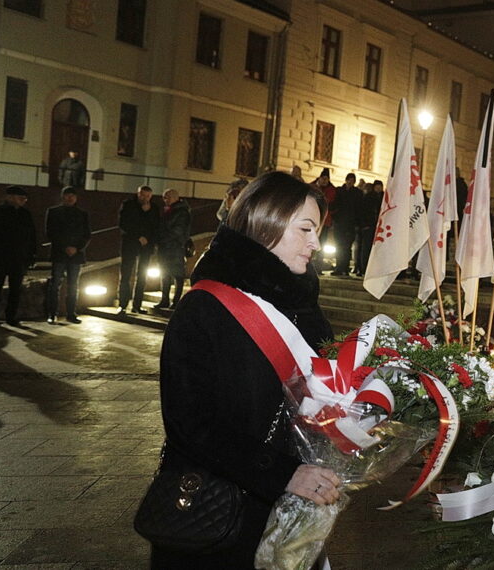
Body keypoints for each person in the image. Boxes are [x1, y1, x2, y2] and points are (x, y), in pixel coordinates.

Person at [148, 171, 340, 567]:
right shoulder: (204, 308)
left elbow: (326, 390)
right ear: (264, 222)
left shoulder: (304, 306)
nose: (316, 244)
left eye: (317, 230)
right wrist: (284, 473)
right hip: (220, 522)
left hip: (295, 516)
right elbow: (189, 425)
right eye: (305, 228)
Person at [0, 186, 35, 327]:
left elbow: (31, 237)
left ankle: (11, 316)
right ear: (9, 197)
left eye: (25, 199)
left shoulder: (25, 215)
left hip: (19, 258)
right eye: (20, 198)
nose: (24, 201)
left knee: (15, 290)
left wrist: (31, 256)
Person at [45, 187, 91, 324]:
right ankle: (52, 313)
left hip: (76, 255)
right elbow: (50, 232)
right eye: (67, 195)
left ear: (76, 198)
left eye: (73, 196)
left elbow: (87, 234)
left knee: (73, 285)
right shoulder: (53, 212)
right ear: (62, 197)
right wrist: (65, 247)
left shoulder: (82, 214)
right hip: (60, 253)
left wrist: (76, 248)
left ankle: (71, 313)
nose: (70, 198)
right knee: (55, 285)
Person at [117, 185, 159, 314]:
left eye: (147, 196)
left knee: (142, 276)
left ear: (151, 196)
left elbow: (155, 226)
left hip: (146, 246)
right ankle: (123, 305)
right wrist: (138, 236)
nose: (145, 198)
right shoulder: (129, 205)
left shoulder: (154, 208)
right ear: (138, 194)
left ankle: (137, 305)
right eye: (142, 195)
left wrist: (148, 238)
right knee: (126, 274)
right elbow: (124, 223)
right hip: (130, 244)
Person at [154, 189, 191, 309]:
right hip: (166, 247)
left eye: (167, 197)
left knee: (177, 274)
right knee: (165, 274)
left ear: (175, 197)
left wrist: (162, 238)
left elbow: (178, 231)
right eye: (164, 197)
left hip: (175, 247)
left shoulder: (181, 212)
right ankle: (165, 299)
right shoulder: (169, 210)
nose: (165, 200)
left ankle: (176, 301)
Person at [330, 173, 361, 276]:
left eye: (352, 181)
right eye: (349, 180)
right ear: (346, 180)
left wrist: (356, 223)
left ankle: (345, 268)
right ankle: (339, 267)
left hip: (350, 224)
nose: (350, 182)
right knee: (339, 246)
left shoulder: (357, 193)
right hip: (339, 223)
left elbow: (358, 209)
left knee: (347, 247)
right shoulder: (339, 190)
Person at [356, 180, 384, 277]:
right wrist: (364, 224)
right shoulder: (368, 197)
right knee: (366, 248)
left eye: (380, 186)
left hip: (379, 227)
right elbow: (363, 211)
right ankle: (364, 268)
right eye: (377, 186)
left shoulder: (383, 198)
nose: (379, 188)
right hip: (369, 226)